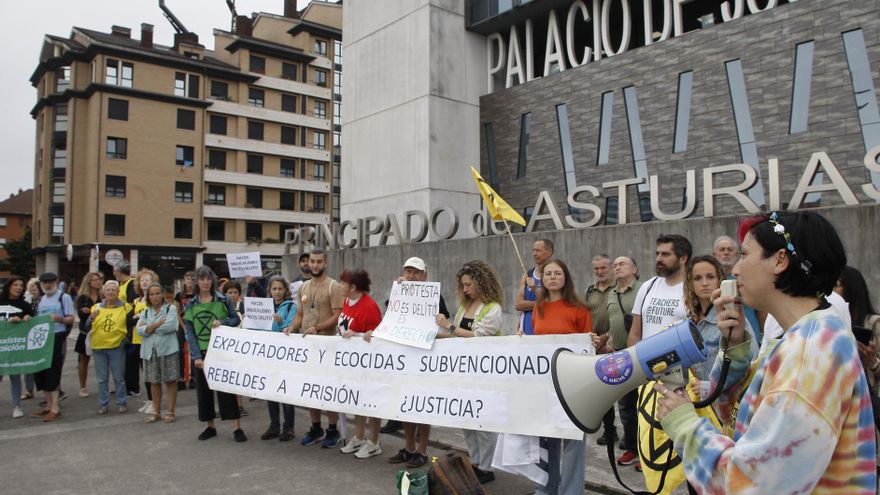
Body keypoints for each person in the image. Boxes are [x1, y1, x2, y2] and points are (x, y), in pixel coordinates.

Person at [656, 210, 876, 493]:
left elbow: (756, 484)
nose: (734, 270)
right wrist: (734, 350)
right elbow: (738, 418)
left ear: (780, 260)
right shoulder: (807, 334)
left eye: (744, 255)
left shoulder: (809, 355)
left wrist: (685, 425)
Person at [622, 234, 691, 471]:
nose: (659, 259)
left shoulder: (691, 289)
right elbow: (635, 332)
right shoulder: (648, 286)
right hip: (647, 375)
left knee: (680, 444)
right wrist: (634, 368)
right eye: (658, 254)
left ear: (683, 258)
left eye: (666, 254)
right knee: (651, 436)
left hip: (681, 378)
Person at [436, 260, 504, 484]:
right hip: (464, 372)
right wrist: (438, 335)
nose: (464, 289)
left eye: (468, 285)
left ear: (481, 283)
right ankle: (475, 461)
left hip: (485, 373)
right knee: (466, 419)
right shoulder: (466, 307)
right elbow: (458, 335)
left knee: (484, 423)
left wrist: (450, 327)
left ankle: (486, 466)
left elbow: (478, 336)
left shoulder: (492, 308)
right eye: (463, 285)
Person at [528, 258, 592, 495]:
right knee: (546, 439)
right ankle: (545, 489)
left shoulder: (580, 308)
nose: (552, 277)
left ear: (566, 277)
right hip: (545, 385)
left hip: (574, 385)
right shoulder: (538, 308)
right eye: (548, 274)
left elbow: (587, 345)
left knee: (574, 442)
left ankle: (572, 491)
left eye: (557, 273)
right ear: (542, 279)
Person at [385, 256, 450, 467]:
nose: (411, 276)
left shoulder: (434, 296)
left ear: (424, 275)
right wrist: (398, 291)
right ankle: (409, 447)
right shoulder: (399, 291)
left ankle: (422, 450)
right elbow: (391, 318)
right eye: (408, 271)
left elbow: (444, 323)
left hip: (425, 357)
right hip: (404, 356)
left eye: (415, 272)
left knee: (422, 406)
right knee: (405, 404)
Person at [284, 249, 345, 448]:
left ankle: (333, 429)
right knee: (309, 389)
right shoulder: (303, 287)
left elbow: (338, 316)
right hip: (307, 347)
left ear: (325, 263)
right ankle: (316, 427)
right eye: (312, 261)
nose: (315, 265)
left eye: (319, 262)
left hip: (327, 346)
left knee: (328, 390)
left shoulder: (333, 286)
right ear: (308, 263)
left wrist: (318, 328)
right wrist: (292, 326)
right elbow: (300, 314)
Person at [183, 265, 245, 442]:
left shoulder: (223, 300)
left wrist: (223, 322)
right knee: (204, 392)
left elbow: (235, 319)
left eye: (208, 279)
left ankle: (236, 427)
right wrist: (196, 356)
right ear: (197, 281)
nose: (205, 282)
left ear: (212, 280)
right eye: (201, 279)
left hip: (220, 351)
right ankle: (210, 426)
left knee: (227, 390)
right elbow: (191, 332)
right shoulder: (191, 304)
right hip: (201, 352)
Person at [593, 256, 642, 452]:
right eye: (616, 264)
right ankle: (631, 448)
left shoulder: (643, 290)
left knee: (644, 406)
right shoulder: (612, 294)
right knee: (625, 407)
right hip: (620, 355)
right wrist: (605, 340)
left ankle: (644, 449)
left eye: (622, 263)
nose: (617, 266)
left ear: (635, 268)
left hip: (641, 353)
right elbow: (615, 324)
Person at [834, 265, 880, 469]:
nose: (833, 290)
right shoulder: (833, 321)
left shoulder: (875, 324)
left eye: (838, 284)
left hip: (871, 403)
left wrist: (873, 362)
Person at [683, 255, 757, 381]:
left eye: (710, 277)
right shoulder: (688, 321)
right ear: (690, 284)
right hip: (694, 399)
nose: (704, 283)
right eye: (697, 278)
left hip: (724, 397)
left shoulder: (731, 318)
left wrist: (707, 388)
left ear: (720, 280)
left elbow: (752, 365)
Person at [336, 269, 384, 459]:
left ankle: (373, 442)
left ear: (353, 287)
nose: (340, 285)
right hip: (351, 364)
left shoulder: (370, 306)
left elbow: (377, 336)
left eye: (343, 283)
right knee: (356, 400)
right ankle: (359, 437)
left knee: (371, 402)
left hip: (368, 366)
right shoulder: (347, 301)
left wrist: (357, 335)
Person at [28, 272, 75, 422]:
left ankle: (55, 408)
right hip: (42, 339)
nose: (47, 285)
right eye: (44, 282)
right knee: (42, 372)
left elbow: (70, 318)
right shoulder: (41, 299)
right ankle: (48, 406)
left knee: (53, 373)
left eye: (50, 282)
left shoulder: (64, 297)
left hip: (56, 338)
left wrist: (59, 319)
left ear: (56, 282)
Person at [260, 276, 298, 443]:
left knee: (285, 391)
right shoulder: (262, 307)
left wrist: (281, 322)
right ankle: (274, 425)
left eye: (280, 289)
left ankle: (288, 427)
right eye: (274, 289)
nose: (277, 292)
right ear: (270, 290)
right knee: (270, 391)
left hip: (284, 356)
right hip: (268, 355)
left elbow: (291, 329)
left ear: (285, 290)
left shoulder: (290, 306)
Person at [86, 280, 131, 415]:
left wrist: (125, 340)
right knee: (101, 379)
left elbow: (131, 324)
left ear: (118, 292)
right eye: (108, 290)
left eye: (113, 290)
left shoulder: (126, 307)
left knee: (118, 377)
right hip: (98, 347)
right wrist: (91, 318)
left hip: (117, 347)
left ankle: (121, 402)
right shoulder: (96, 308)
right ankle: (103, 404)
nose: (110, 292)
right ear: (103, 292)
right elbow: (86, 326)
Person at [136, 283, 179, 423]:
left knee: (170, 380)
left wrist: (149, 328)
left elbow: (170, 326)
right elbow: (139, 331)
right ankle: (156, 411)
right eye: (151, 294)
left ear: (162, 294)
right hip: (150, 350)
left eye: (157, 293)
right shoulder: (145, 312)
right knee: (154, 382)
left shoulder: (170, 309)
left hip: (168, 349)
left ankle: (171, 411)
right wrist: (156, 324)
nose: (155, 297)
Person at [0, 275, 34, 418]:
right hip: (1, 345)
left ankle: (17, 406)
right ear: (9, 286)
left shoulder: (25, 305)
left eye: (21, 285)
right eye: (16, 285)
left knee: (15, 375)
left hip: (15, 347)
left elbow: (34, 322)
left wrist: (28, 319)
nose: (19, 288)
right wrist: (8, 320)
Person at [129, 269, 159, 405]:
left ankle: (154, 401)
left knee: (151, 372)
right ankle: (149, 400)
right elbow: (128, 320)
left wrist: (139, 318)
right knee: (144, 372)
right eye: (142, 280)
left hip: (150, 340)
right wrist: (139, 319)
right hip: (137, 339)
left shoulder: (154, 299)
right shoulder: (136, 301)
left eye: (148, 279)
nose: (145, 282)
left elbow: (153, 319)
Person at [515, 239, 554, 335]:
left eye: (538, 250)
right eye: (533, 250)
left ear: (549, 252)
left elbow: (554, 304)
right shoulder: (527, 275)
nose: (534, 254)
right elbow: (518, 305)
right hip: (526, 329)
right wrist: (541, 304)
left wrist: (535, 291)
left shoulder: (555, 276)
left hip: (547, 328)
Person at [74, 272, 103, 398]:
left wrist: (90, 311)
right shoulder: (83, 298)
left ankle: (103, 385)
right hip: (85, 332)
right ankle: (82, 386)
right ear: (88, 282)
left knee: (102, 361)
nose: (97, 282)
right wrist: (93, 312)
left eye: (98, 280)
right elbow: (82, 315)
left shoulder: (103, 296)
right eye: (94, 280)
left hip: (101, 331)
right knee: (83, 360)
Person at [174, 271, 195, 390]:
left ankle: (193, 378)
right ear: (184, 280)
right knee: (180, 351)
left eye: (192, 278)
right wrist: (183, 327)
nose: (190, 281)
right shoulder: (179, 295)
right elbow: (177, 312)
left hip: (194, 325)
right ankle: (181, 378)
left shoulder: (197, 294)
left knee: (193, 351)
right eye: (188, 278)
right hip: (182, 325)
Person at [585, 254, 612, 335]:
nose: (600, 272)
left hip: (615, 342)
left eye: (603, 268)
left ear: (611, 268)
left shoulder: (619, 290)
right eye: (596, 268)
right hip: (594, 341)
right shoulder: (589, 292)